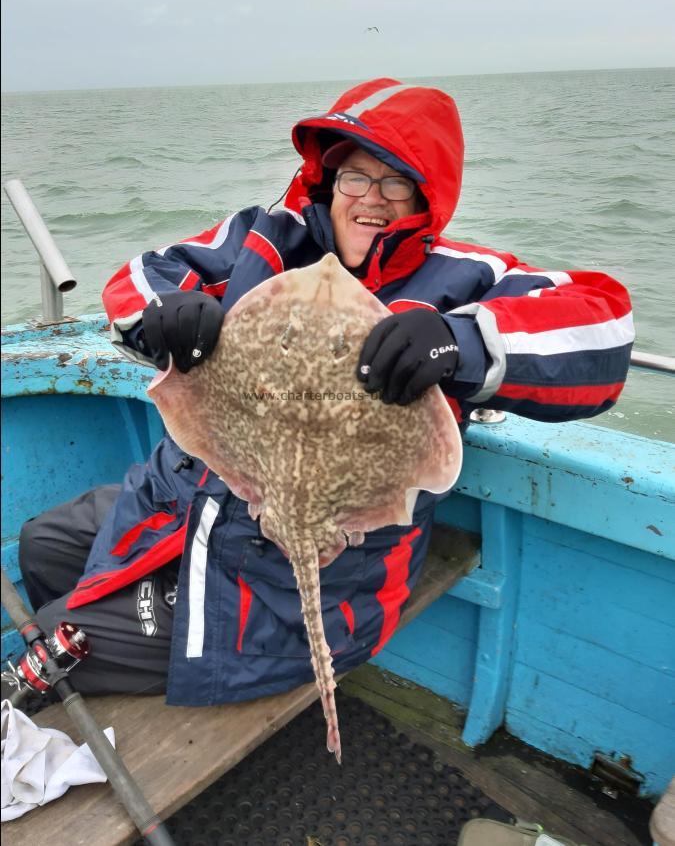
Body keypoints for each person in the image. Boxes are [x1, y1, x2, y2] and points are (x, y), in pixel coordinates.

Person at [19, 78, 634, 704]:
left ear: (427, 195)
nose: (372, 198)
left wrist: (460, 340)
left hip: (294, 575)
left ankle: (107, 664)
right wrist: (173, 311)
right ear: (329, 180)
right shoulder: (263, 240)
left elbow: (604, 330)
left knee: (50, 644)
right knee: (41, 542)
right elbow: (142, 274)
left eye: (395, 181)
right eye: (355, 177)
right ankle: (114, 637)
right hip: (186, 495)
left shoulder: (468, 279)